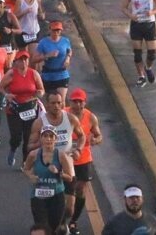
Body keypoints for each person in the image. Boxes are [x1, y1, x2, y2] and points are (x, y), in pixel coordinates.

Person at [23, 127, 74, 235]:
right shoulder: (33, 155)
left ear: (56, 139)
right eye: (45, 136)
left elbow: (70, 177)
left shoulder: (61, 156)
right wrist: (31, 176)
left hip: (56, 196)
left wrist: (58, 173)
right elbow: (26, 169)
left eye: (51, 136)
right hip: (38, 195)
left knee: (53, 226)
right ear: (41, 139)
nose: (48, 139)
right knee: (42, 227)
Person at [66, 88, 103, 235]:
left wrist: (95, 140)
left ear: (84, 103)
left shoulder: (91, 117)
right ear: (70, 102)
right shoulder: (63, 113)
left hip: (83, 158)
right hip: (65, 158)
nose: (77, 104)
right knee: (66, 191)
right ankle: (61, 218)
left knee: (80, 189)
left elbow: (99, 135)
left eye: (80, 101)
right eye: (74, 101)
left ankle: (73, 221)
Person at [0, 50, 44, 167]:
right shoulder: (11, 74)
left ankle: (25, 161)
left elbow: (41, 89)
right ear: (16, 62)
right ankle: (13, 149)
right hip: (14, 109)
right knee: (16, 136)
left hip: (30, 109)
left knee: (28, 137)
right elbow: (1, 87)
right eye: (21, 60)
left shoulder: (33, 73)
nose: (23, 62)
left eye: (25, 59)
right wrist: (6, 95)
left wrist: (39, 93)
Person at [33, 21, 72, 101]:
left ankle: (62, 112)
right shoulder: (43, 42)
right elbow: (34, 59)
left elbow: (69, 50)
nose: (56, 32)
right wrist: (47, 55)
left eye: (58, 30)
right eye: (54, 30)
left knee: (61, 100)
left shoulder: (65, 41)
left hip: (62, 74)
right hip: (48, 75)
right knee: (50, 101)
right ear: (50, 30)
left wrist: (68, 58)